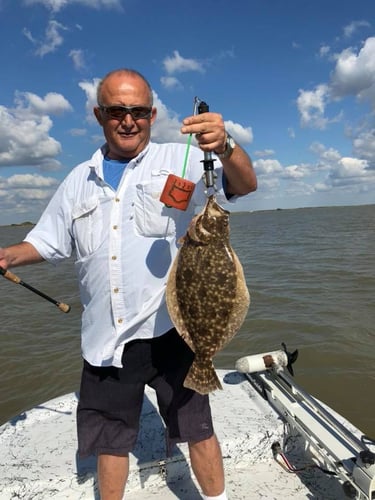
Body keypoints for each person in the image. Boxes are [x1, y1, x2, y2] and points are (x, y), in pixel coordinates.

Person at [0, 68, 257, 500]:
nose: (128, 119)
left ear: (152, 114)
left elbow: (244, 184)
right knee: (111, 442)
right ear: (99, 114)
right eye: (117, 110)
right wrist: (7, 256)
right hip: (107, 338)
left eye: (138, 110)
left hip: (175, 330)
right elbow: (45, 242)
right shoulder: (76, 181)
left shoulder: (183, 158)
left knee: (198, 429)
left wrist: (226, 145)